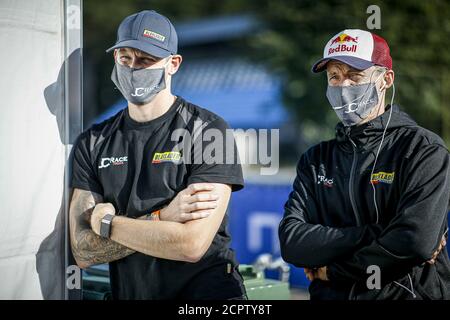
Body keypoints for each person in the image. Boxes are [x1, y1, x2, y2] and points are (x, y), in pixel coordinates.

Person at [69, 10, 247, 300]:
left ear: (173, 64)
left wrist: (107, 224)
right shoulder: (93, 141)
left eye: (146, 60)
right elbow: (84, 250)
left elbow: (191, 245)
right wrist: (163, 217)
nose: (133, 68)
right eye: (125, 58)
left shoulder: (209, 130)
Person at [279, 29, 450, 300]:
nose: (343, 86)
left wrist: (333, 271)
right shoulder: (316, 159)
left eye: (354, 75)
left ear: (386, 80)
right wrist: (380, 233)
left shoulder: (422, 149)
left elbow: (414, 243)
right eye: (334, 76)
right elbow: (292, 243)